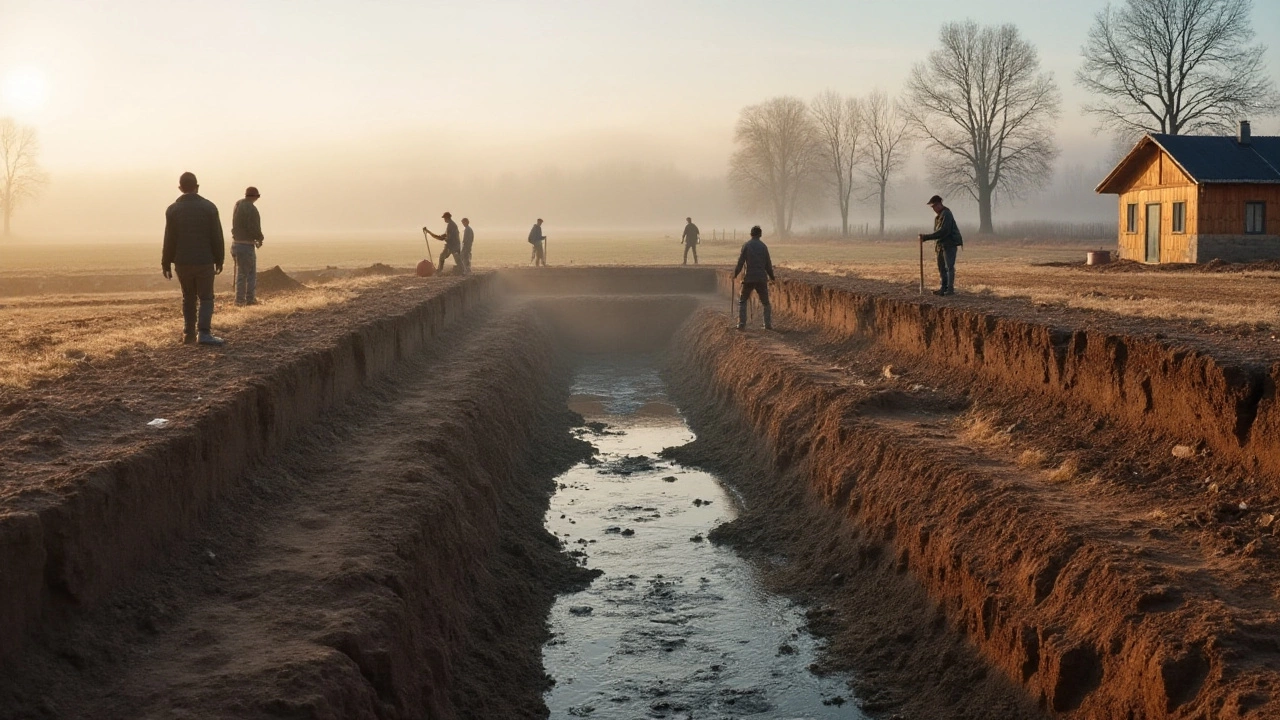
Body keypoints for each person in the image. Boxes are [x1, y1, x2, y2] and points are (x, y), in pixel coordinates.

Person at [162, 172, 225, 346]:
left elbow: (169, 239)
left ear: (180, 188)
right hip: (204, 260)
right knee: (206, 298)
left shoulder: (172, 210)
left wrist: (166, 263)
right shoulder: (209, 207)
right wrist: (219, 259)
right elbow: (216, 236)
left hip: (182, 262)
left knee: (188, 297)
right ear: (197, 186)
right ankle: (204, 333)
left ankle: (188, 334)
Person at [732, 225, 775, 330]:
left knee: (743, 300)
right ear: (760, 234)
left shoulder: (746, 245)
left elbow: (740, 262)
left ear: (751, 234)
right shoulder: (763, 247)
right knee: (765, 303)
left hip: (749, 278)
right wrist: (772, 276)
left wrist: (735, 273)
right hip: (761, 278)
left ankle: (741, 324)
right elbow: (768, 264)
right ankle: (767, 324)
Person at [919, 194, 963, 296]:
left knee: (949, 267)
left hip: (949, 244)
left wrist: (926, 237)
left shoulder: (946, 214)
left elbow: (943, 231)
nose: (933, 209)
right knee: (941, 267)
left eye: (934, 206)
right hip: (940, 245)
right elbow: (938, 232)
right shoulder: (938, 216)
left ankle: (950, 289)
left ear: (939, 204)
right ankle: (943, 288)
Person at [230, 186, 264, 305]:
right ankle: (245, 300)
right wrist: (260, 237)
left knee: (241, 273)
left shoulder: (238, 204)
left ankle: (241, 299)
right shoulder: (250, 208)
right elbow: (253, 226)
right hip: (246, 245)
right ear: (255, 196)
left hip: (236, 244)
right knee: (248, 274)